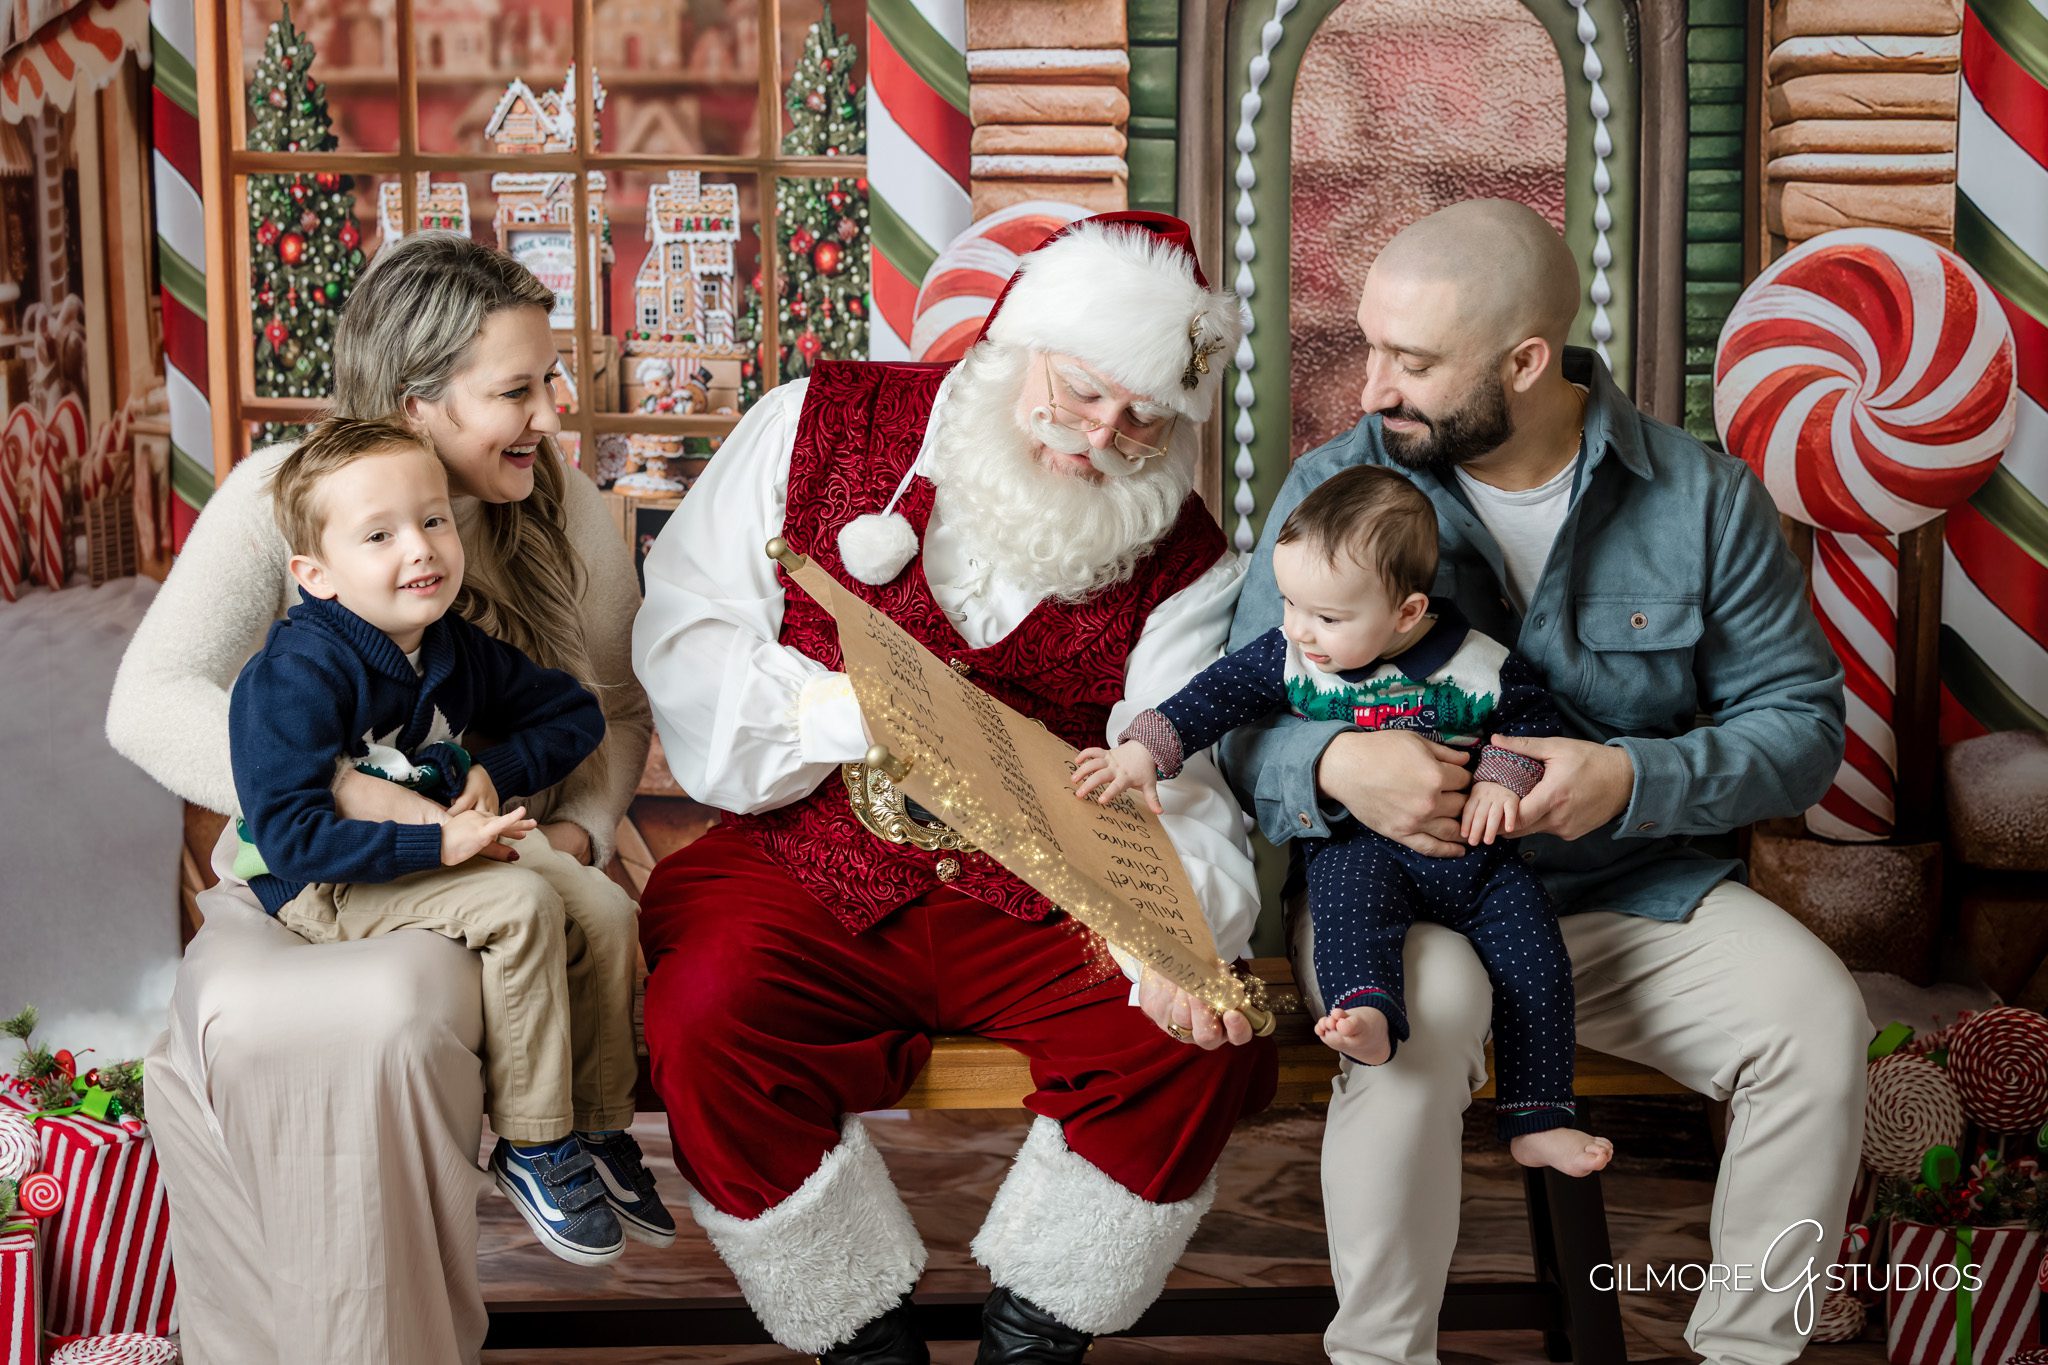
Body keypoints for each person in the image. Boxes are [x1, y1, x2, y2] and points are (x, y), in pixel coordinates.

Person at [1218, 198, 1869, 1365]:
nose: (1371, 388)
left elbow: (1801, 730)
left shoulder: (1702, 498)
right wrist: (1331, 763)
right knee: (1418, 1025)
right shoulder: (1333, 485)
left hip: (1631, 894)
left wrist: (1629, 777)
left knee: (1814, 1024)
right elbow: (1239, 717)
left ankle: (1745, 1354)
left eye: (1410, 362)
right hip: (1406, 893)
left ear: (1524, 361)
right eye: (1369, 347)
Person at [632, 212, 1277, 1365]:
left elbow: (1180, 777)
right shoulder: (813, 423)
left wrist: (1175, 946)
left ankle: (1035, 1337)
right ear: (1019, 342)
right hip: (807, 859)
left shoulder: (1182, 554)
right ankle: (857, 1336)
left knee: (1193, 1042)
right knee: (704, 1014)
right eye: (1081, 392)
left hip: (1042, 892)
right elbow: (688, 632)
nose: (1099, 436)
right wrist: (846, 709)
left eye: (1142, 418)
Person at [107, 232, 653, 1364]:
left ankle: (415, 1299)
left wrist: (569, 831)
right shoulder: (284, 496)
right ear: (416, 407)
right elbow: (148, 701)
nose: (551, 416)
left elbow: (613, 711)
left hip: (511, 864)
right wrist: (353, 794)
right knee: (285, 1032)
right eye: (517, 390)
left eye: (548, 382)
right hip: (311, 874)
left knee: (411, 1006)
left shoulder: (570, 521)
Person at [1073, 464, 1612, 1177]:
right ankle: (1368, 1014)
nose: (1300, 628)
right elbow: (1213, 697)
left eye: (1327, 616)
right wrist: (1146, 749)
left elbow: (1531, 725)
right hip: (1359, 846)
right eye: (1292, 602)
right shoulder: (1294, 658)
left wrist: (1498, 781)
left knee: (1537, 955)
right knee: (1348, 914)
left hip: (1475, 859)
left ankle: (1539, 1113)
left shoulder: (1479, 664)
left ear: (1407, 612)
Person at [227, 415, 672, 1267]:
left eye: (433, 520)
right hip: (328, 874)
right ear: (315, 574)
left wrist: (495, 771)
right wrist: (435, 851)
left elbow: (573, 711)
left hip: (444, 835)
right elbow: (289, 835)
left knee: (607, 907)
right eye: (380, 535)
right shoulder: (292, 676)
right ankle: (533, 1143)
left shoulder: (449, 644)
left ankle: (599, 1122)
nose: (421, 548)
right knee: (521, 902)